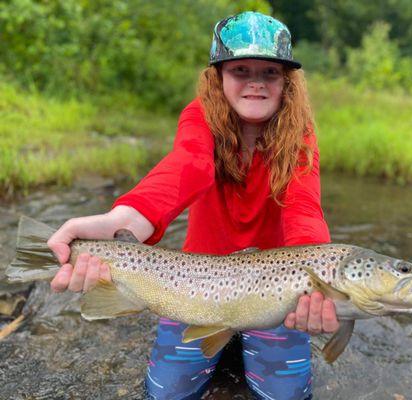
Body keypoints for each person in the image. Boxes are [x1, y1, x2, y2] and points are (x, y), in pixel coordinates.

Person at [47, 11, 339, 400]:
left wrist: (318, 281)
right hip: (194, 287)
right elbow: (187, 168)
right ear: (217, 77)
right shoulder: (199, 116)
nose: (255, 82)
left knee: (288, 397)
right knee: (166, 395)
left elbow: (302, 205)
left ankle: (241, 340)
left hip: (278, 292)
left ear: (287, 81)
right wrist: (121, 220)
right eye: (240, 69)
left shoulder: (300, 132)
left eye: (270, 72)